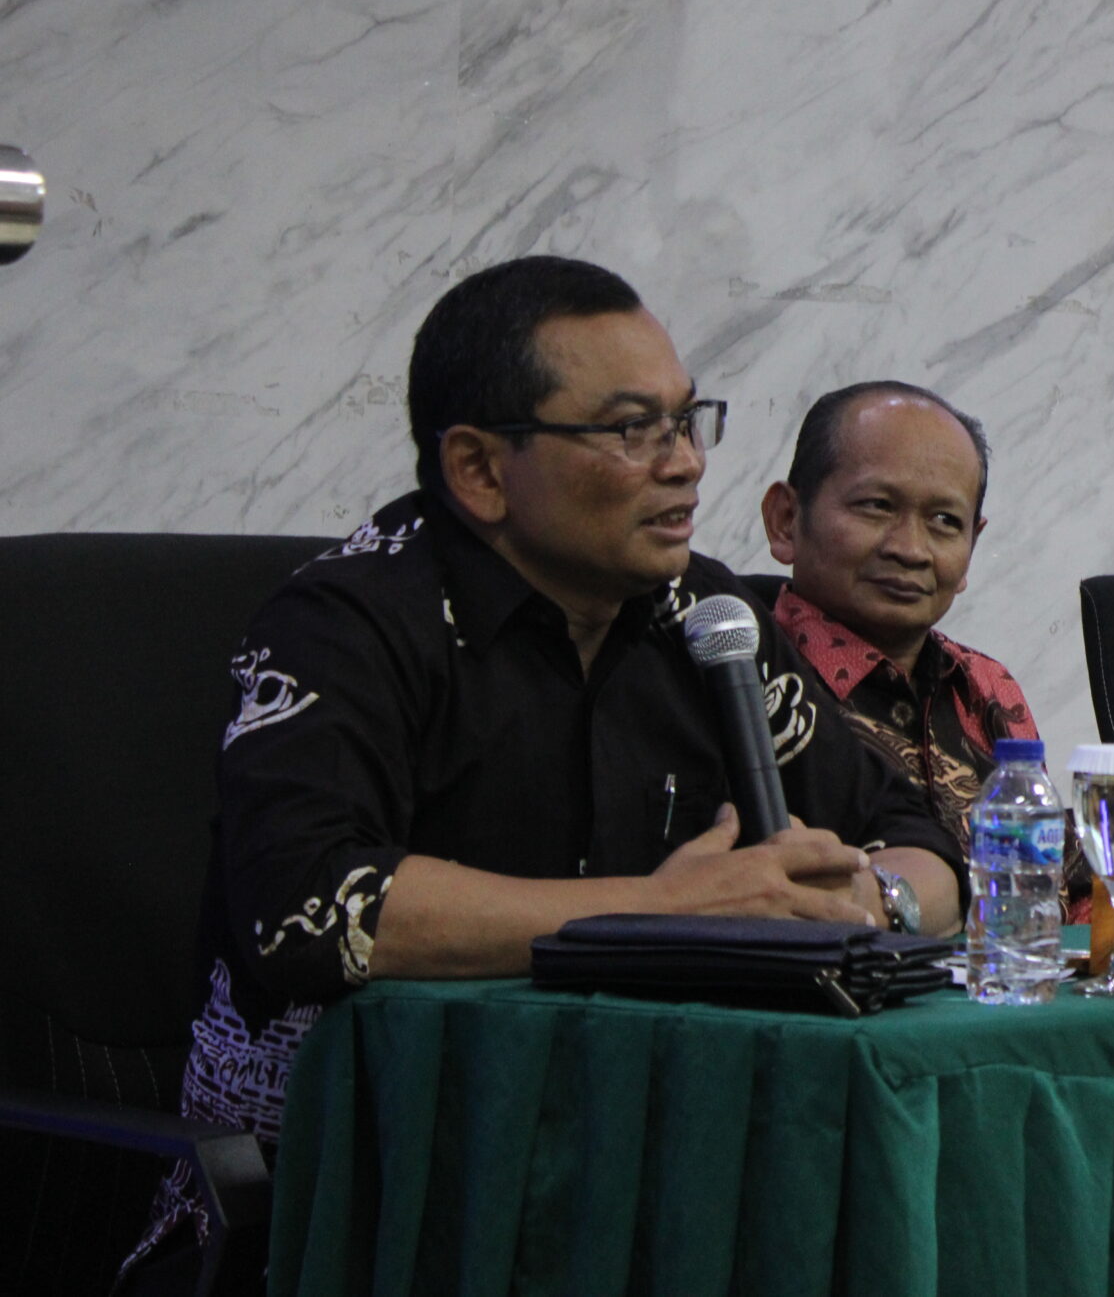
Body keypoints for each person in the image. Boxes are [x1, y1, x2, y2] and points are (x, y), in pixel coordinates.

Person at [128, 257, 962, 1284]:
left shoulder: (704, 620)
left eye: (687, 420)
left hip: (643, 1179)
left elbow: (922, 839)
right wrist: (660, 912)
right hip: (356, 1202)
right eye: (632, 430)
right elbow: (307, 909)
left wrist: (869, 902)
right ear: (480, 469)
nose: (685, 465)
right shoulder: (347, 625)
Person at [756, 381, 1050, 865]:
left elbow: (1052, 881)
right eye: (877, 505)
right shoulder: (747, 684)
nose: (911, 549)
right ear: (786, 519)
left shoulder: (986, 686)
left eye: (945, 521)